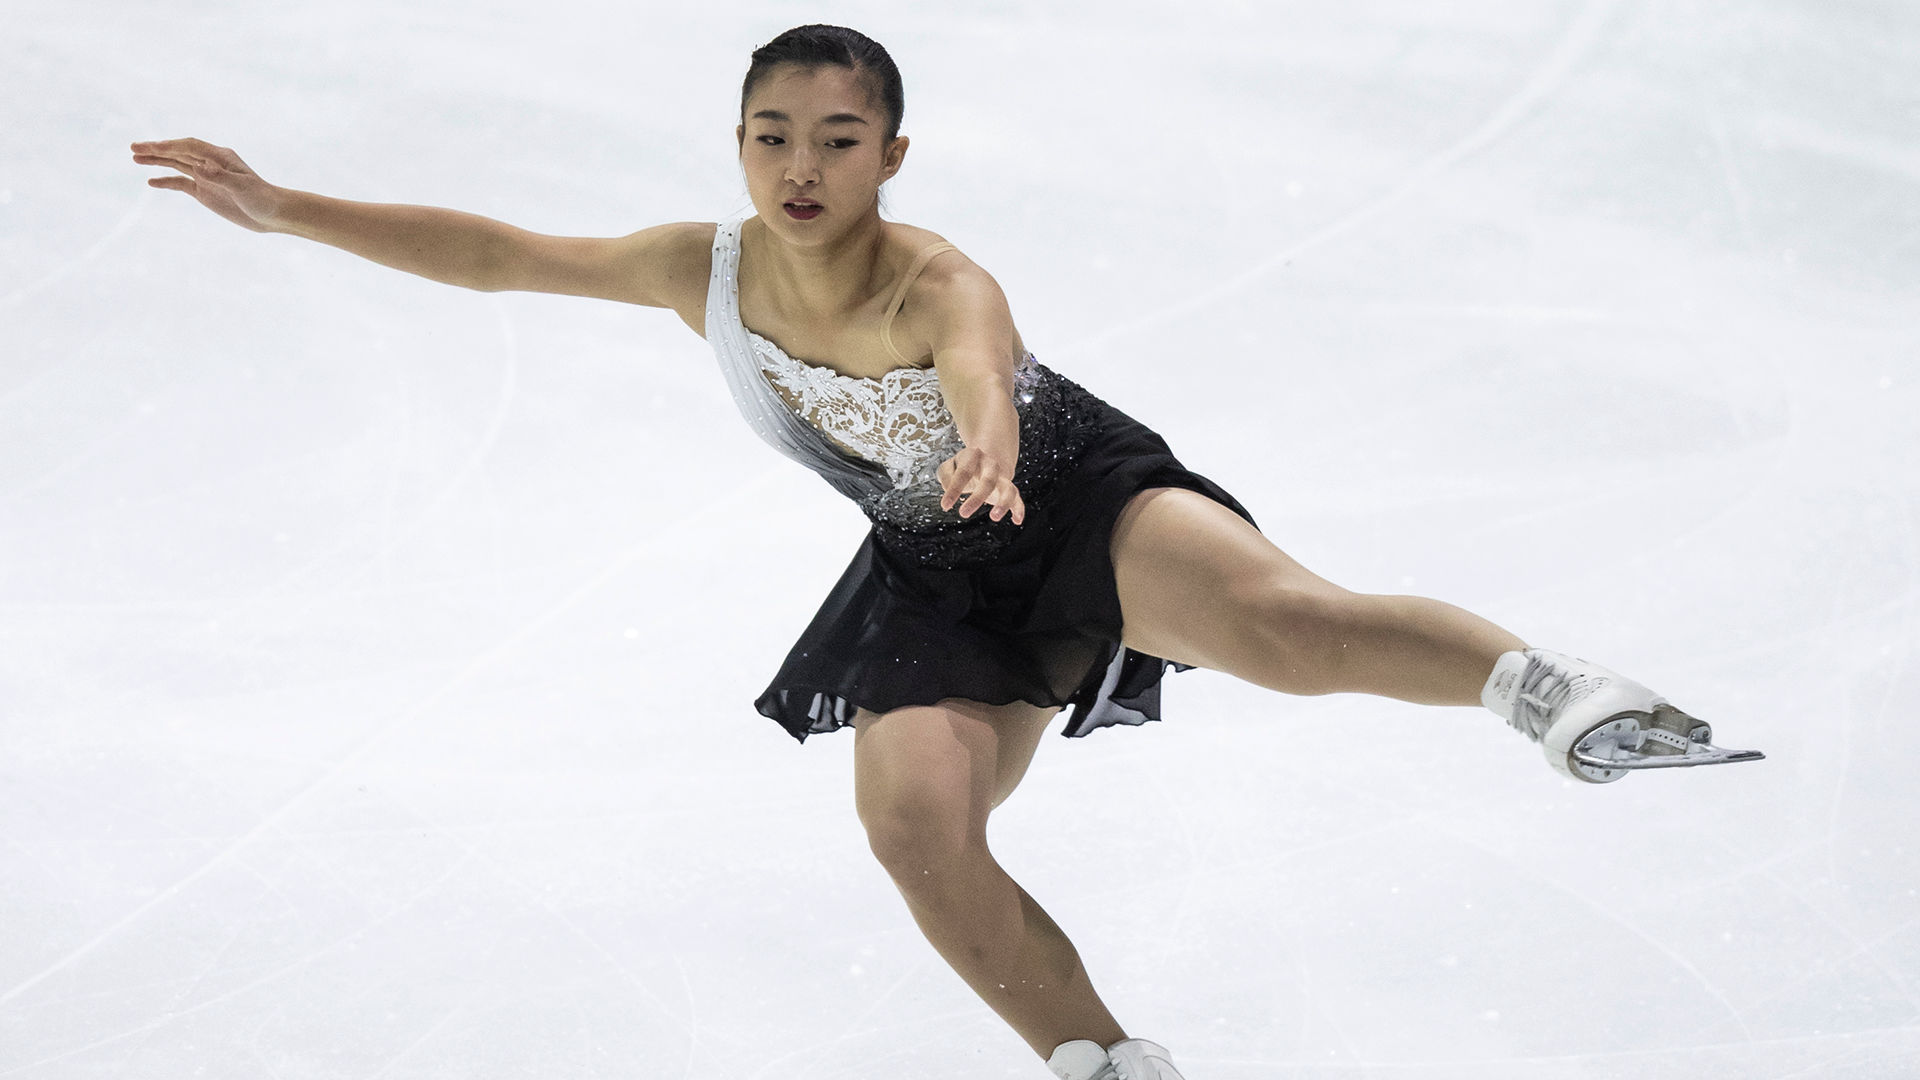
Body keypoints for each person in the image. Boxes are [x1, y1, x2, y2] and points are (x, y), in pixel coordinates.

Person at [130, 23, 1762, 1080]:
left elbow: (982, 362)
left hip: (1066, 495)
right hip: (928, 566)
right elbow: (500, 254)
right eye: (772, 134)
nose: (801, 168)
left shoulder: (937, 279)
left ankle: (1554, 694)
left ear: (892, 155)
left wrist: (984, 433)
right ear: (739, 142)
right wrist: (290, 209)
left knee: (1288, 630)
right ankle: (1106, 1064)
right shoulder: (697, 268)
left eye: (839, 139)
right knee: (916, 829)